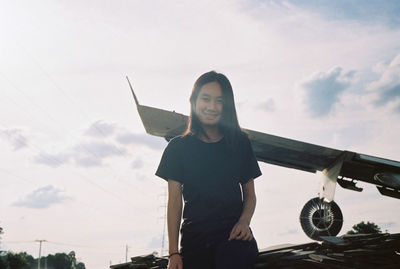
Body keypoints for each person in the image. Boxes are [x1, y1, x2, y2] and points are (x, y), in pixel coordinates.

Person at [156, 71, 262, 269]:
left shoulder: (240, 143)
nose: (212, 107)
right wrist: (173, 253)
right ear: (194, 101)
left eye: (219, 101)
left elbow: (250, 196)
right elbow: (174, 203)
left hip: (234, 238)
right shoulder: (177, 148)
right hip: (195, 240)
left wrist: (244, 223)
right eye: (206, 99)